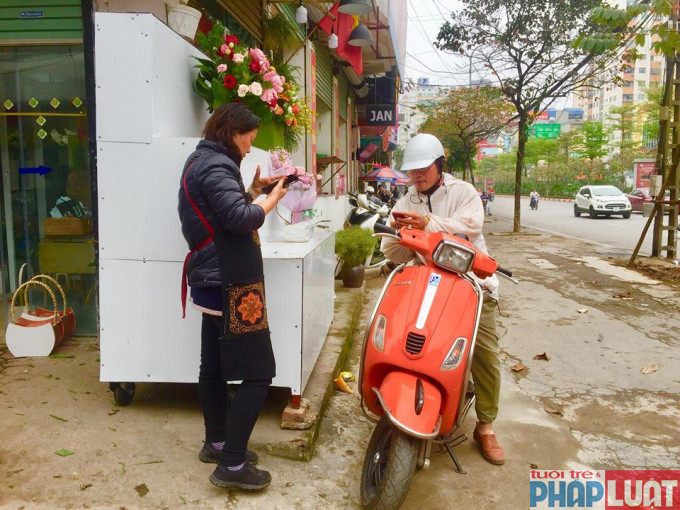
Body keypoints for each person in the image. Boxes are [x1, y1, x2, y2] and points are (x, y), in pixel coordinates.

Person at [178, 103, 287, 491]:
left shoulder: (201, 161)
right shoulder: (216, 165)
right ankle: (233, 464)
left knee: (214, 366)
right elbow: (240, 220)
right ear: (231, 131)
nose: (248, 148)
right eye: (248, 140)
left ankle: (217, 441)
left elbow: (221, 211)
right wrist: (270, 200)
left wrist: (252, 191)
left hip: (210, 279)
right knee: (259, 372)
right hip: (228, 282)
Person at [380, 133, 505, 465]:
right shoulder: (406, 200)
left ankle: (486, 426)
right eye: (412, 171)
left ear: (439, 165)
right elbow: (388, 250)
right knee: (405, 339)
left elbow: (471, 227)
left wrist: (428, 223)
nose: (418, 176)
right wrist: (401, 235)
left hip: (472, 283)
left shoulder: (463, 192)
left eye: (424, 168)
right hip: (428, 285)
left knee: (485, 353)